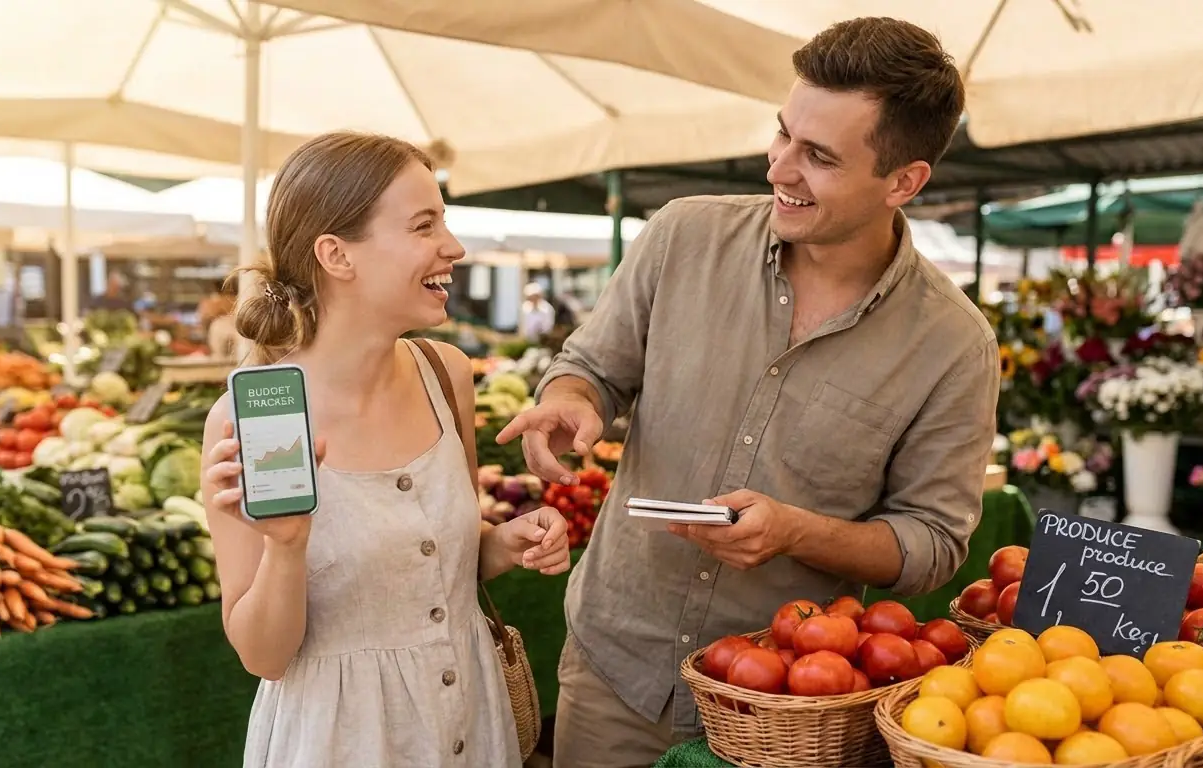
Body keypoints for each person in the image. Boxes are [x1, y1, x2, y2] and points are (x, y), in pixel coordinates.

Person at [497, 17, 1000, 768]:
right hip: (615, 671)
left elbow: (931, 543)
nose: (779, 169)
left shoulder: (954, 345)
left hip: (786, 709)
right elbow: (592, 368)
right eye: (783, 135)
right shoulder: (681, 237)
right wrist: (574, 401)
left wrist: (799, 532)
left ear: (904, 181)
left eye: (819, 157)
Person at [199, 131, 572, 768]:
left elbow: (424, 566)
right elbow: (263, 656)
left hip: (473, 729)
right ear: (337, 255)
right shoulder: (248, 420)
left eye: (444, 222)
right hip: (343, 742)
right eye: (423, 226)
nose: (452, 248)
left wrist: (501, 543)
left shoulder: (445, 374)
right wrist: (286, 548)